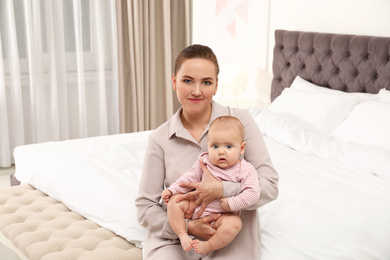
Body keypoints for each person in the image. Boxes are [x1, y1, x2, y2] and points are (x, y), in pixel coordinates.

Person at [135, 44, 279, 259]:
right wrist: (188, 227)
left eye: (206, 82)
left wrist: (222, 190)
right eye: (187, 80)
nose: (196, 91)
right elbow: (145, 206)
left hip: (230, 239)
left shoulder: (241, 121)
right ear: (174, 81)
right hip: (176, 240)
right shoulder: (159, 138)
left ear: (216, 86)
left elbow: (269, 185)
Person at [161, 116, 260, 255]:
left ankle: (209, 245)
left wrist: (230, 204)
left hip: (221, 215)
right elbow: (189, 178)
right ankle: (182, 233)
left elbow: (252, 194)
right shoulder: (205, 161)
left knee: (234, 224)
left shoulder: (245, 169)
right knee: (175, 202)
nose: (221, 151)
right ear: (208, 146)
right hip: (194, 207)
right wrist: (172, 190)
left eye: (229, 146)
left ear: (241, 148)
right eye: (215, 146)